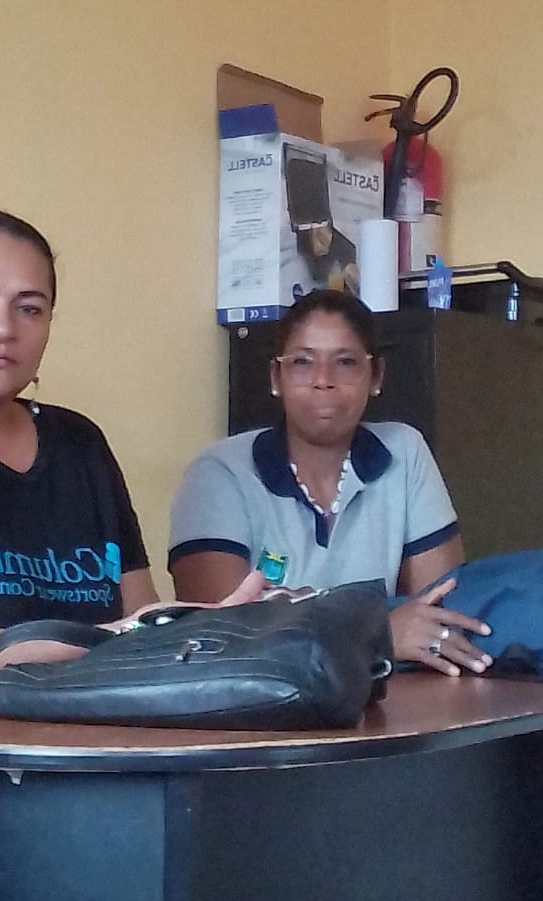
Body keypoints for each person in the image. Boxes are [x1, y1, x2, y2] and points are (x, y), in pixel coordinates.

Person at [0, 209, 264, 706]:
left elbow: (138, 629)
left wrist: (215, 629)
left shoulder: (80, 444)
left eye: (29, 309)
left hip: (89, 736)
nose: (2, 326)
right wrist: (94, 645)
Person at [169, 290, 493, 676]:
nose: (323, 381)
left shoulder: (404, 452)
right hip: (257, 702)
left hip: (383, 692)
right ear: (275, 377)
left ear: (376, 376)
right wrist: (378, 634)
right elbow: (223, 638)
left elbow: (441, 607)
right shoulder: (219, 473)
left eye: (345, 362)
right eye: (302, 362)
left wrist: (352, 635)